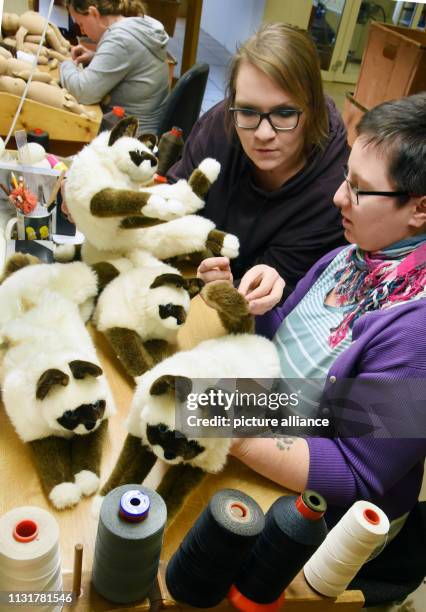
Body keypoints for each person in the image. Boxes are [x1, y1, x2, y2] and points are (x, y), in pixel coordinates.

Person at [198, 93, 426, 606]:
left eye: (361, 189)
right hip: (273, 420)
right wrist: (249, 304)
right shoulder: (352, 256)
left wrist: (234, 432)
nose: (338, 198)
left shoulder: (419, 332)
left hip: (330, 511)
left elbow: (356, 472)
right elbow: (293, 351)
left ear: (420, 208)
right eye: (347, 177)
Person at [168, 23, 349, 298]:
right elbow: (175, 199)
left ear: (312, 110)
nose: (263, 134)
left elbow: (267, 292)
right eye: (248, 111)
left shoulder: (332, 193)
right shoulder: (220, 124)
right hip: (188, 270)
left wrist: (228, 285)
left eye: (285, 113)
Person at [61, 0, 169, 133]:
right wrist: (96, 57)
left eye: (81, 24)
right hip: (138, 127)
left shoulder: (120, 39)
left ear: (94, 13)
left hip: (128, 138)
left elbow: (83, 92)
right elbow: (129, 62)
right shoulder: (136, 25)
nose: (82, 31)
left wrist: (65, 62)